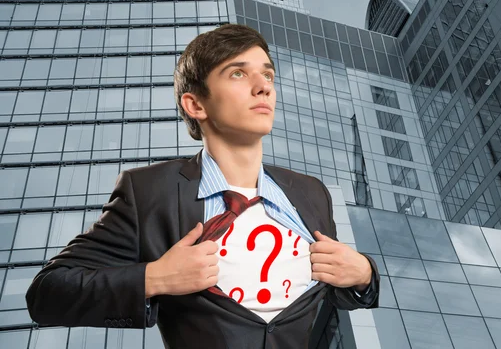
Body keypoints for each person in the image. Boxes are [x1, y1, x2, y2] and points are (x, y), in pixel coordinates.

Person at [26, 24, 379, 349]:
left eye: (267, 74)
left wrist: (364, 274)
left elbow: (338, 293)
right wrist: (155, 278)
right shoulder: (149, 191)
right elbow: (48, 293)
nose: (264, 86)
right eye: (238, 73)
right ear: (195, 104)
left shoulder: (310, 192)